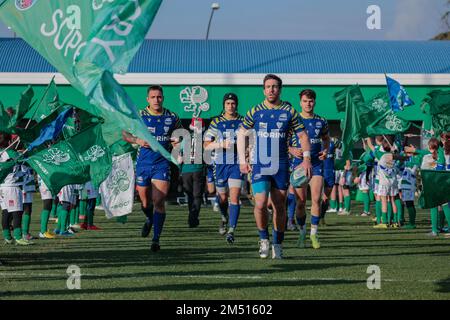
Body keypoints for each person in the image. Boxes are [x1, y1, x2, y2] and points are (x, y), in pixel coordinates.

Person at [237, 74, 312, 259]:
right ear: (263, 90)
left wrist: (307, 159)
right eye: (268, 86)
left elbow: (303, 136)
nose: (271, 89)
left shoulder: (289, 111)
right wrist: (242, 160)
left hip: (281, 165)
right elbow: (241, 134)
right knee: (261, 203)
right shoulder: (255, 111)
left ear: (280, 89)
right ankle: (263, 239)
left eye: (275, 86)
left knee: (279, 205)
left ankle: (277, 244)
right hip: (260, 164)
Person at [122, 85, 181, 252]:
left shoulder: (172, 116)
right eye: (153, 97)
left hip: (162, 164)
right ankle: (149, 219)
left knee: (159, 201)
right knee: (145, 201)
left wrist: (177, 141)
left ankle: (156, 239)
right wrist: (138, 141)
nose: (157, 100)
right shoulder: (140, 115)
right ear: (148, 99)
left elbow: (179, 135)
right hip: (143, 164)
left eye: (159, 97)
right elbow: (125, 134)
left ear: (163, 98)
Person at [288, 89, 330, 249]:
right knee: (300, 202)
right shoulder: (294, 121)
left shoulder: (321, 121)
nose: (308, 104)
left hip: (316, 165)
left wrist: (325, 150)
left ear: (315, 102)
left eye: (311, 101)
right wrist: (291, 149)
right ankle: (302, 233)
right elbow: (283, 141)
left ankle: (314, 234)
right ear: (300, 102)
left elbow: (326, 139)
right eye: (305, 101)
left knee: (316, 199)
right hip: (299, 165)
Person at [204, 93, 244, 244]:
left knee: (234, 197)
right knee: (221, 197)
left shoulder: (242, 121)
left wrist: (247, 150)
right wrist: (221, 144)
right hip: (220, 164)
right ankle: (223, 217)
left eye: (233, 103)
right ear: (224, 105)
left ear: (236, 105)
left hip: (236, 164)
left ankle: (232, 230)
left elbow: (250, 139)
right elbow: (206, 144)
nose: (230, 106)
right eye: (227, 103)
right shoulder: (216, 122)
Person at [179, 118, 206, 228]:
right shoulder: (204, 138)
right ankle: (193, 217)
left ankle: (192, 216)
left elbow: (179, 156)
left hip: (186, 169)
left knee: (190, 195)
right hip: (198, 168)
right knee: (197, 196)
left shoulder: (186, 137)